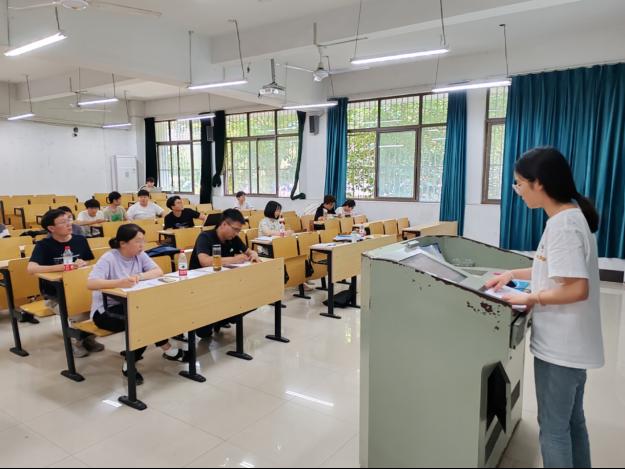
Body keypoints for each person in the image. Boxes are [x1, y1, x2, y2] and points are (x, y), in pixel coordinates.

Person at [485, 147, 604, 469]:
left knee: (553, 430)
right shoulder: (569, 216)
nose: (518, 191)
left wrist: (530, 298)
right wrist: (511, 274)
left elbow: (577, 289)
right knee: (572, 423)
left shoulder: (563, 225)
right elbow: (550, 269)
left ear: (538, 183)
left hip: (561, 349)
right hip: (571, 346)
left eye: (519, 184)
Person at [87, 224, 188, 385]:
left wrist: (139, 276)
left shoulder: (139, 254)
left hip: (133, 304)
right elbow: (91, 283)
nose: (142, 245)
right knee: (142, 323)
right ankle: (133, 362)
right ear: (123, 243)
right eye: (138, 241)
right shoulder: (109, 258)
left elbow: (158, 271)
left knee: (156, 314)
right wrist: (118, 282)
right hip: (106, 311)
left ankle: (166, 349)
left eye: (143, 241)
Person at [27, 209, 105, 356]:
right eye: (63, 222)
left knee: (100, 307)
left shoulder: (80, 240)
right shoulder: (43, 245)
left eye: (69, 220)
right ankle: (76, 343)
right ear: (51, 228)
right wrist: (61, 267)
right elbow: (31, 269)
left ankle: (88, 339)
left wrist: (83, 263)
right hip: (55, 295)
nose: (69, 224)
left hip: (79, 288)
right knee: (79, 313)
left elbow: (88, 261)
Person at [189, 209, 260, 339]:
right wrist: (234, 259)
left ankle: (222, 319)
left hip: (223, 284)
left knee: (251, 299)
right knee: (203, 333)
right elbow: (205, 261)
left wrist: (253, 254)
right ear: (224, 224)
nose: (236, 233)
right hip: (201, 286)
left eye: (239, 230)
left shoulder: (233, 238)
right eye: (235, 229)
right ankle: (219, 319)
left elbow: (249, 251)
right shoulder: (205, 237)